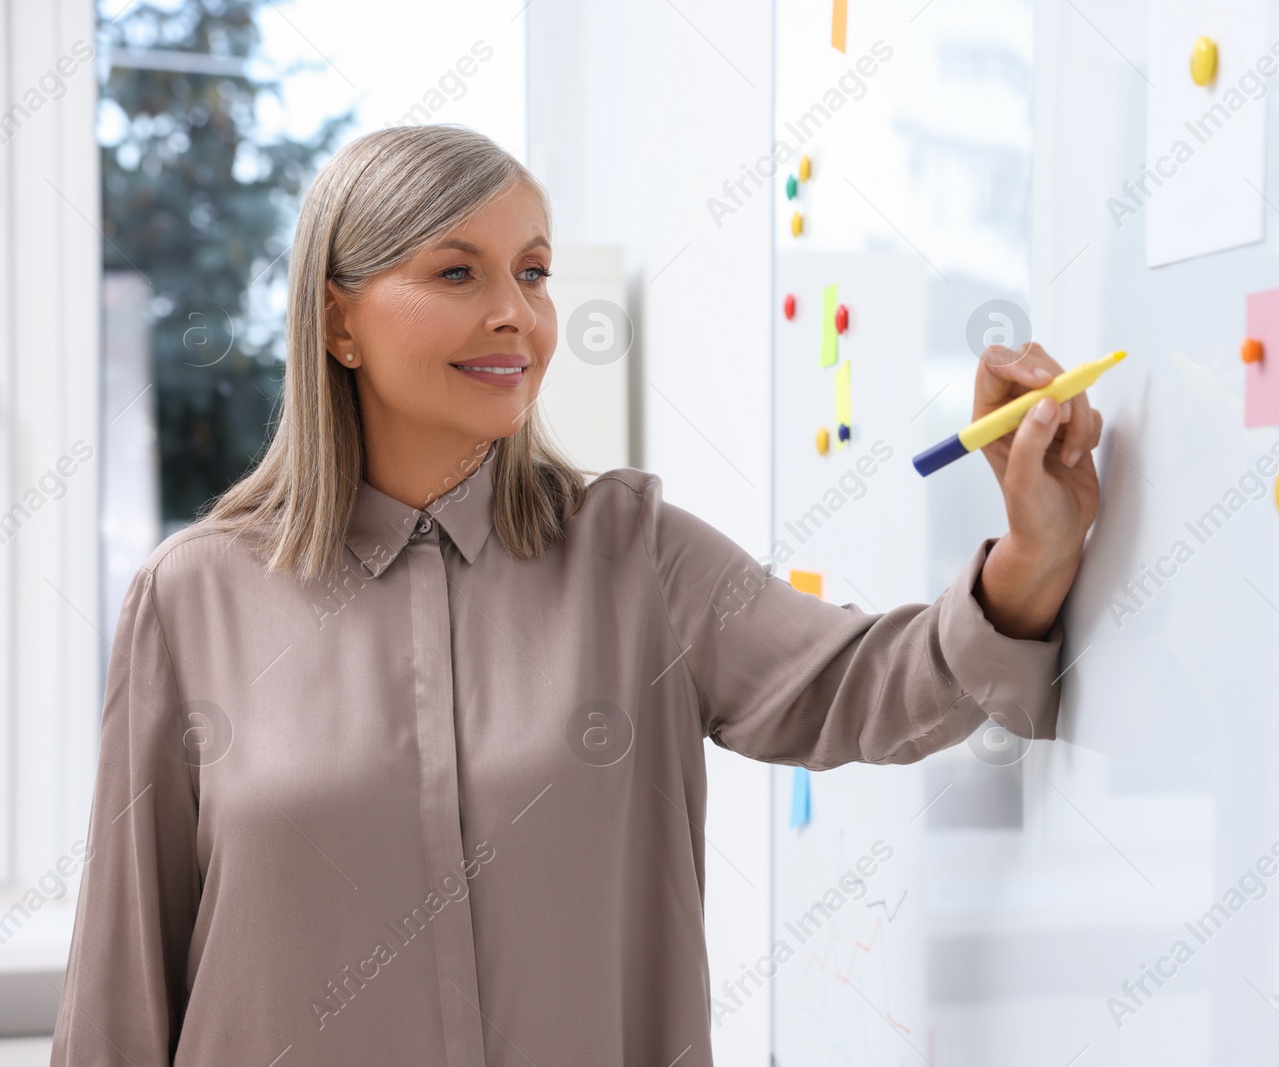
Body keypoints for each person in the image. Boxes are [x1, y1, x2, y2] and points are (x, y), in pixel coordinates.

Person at [50, 124, 1103, 1066]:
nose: (515, 314)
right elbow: (124, 973)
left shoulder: (634, 558)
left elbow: (862, 686)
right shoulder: (195, 598)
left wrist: (1030, 550)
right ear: (338, 322)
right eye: (456, 272)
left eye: (535, 272)